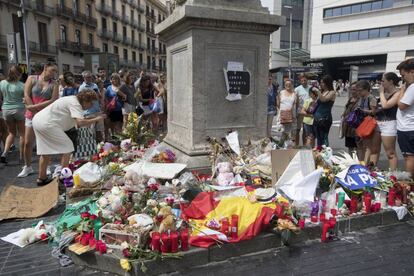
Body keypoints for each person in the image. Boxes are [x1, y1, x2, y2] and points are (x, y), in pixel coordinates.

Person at [32, 90, 106, 185]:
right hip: (48, 124)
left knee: (45, 151)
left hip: (38, 120)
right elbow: (80, 123)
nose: (91, 105)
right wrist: (97, 119)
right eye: (90, 102)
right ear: (85, 100)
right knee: (67, 147)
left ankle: (41, 178)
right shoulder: (76, 104)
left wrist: (94, 116)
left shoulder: (72, 100)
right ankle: (64, 177)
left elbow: (80, 119)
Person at [19, 63, 59, 178]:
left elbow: (53, 100)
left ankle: (46, 166)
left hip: (45, 115)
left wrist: (33, 108)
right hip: (32, 115)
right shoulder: (32, 79)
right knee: (27, 143)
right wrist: (33, 109)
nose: (53, 73)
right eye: (52, 70)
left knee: (45, 142)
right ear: (45, 68)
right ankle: (28, 167)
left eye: (55, 71)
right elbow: (26, 94)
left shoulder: (54, 84)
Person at [370, 72, 400, 170]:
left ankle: (393, 175)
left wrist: (381, 93)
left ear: (391, 81)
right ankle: (371, 171)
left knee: (390, 152)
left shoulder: (397, 93)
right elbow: (379, 108)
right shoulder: (383, 94)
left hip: (389, 123)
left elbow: (386, 105)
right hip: (377, 122)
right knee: (374, 150)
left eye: (383, 81)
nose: (381, 83)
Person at [0, 65, 25, 163]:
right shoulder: (21, 85)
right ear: (19, 74)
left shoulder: (2, 83)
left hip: (6, 110)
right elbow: (25, 98)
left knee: (11, 133)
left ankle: (4, 153)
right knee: (22, 134)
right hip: (18, 110)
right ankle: (21, 157)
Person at [397, 58, 414, 178]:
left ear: (412, 72)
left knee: (409, 157)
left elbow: (401, 105)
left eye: (403, 75)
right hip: (408, 127)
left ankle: (408, 186)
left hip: (407, 128)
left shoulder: (412, 87)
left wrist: (402, 90)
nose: (403, 79)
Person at [355, 80, 378, 166]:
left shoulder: (371, 98)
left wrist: (362, 111)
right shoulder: (361, 98)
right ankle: (361, 161)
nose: (359, 92)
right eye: (358, 90)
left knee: (367, 145)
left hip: (368, 124)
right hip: (361, 123)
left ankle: (365, 163)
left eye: (360, 90)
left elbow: (374, 112)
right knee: (361, 144)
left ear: (366, 89)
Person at [79, 71, 104, 142]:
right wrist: (91, 95)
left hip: (97, 110)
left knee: (100, 130)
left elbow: (99, 96)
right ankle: (92, 147)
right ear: (84, 78)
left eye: (90, 77)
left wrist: (98, 94)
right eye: (87, 77)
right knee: (91, 132)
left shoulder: (95, 85)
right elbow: (81, 100)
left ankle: (100, 146)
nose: (89, 79)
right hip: (89, 112)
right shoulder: (82, 87)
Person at [314, 75, 336, 147]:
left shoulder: (332, 92)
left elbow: (324, 100)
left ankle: (325, 154)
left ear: (327, 83)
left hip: (325, 118)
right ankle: (319, 154)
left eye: (322, 82)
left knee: (324, 137)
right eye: (320, 82)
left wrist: (318, 92)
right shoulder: (322, 92)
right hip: (317, 117)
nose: (321, 84)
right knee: (318, 138)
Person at [341, 82, 360, 156]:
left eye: (354, 89)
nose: (353, 91)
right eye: (351, 89)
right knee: (350, 145)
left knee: (357, 146)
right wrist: (343, 114)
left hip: (355, 126)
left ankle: (356, 161)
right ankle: (351, 161)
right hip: (348, 126)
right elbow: (346, 109)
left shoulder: (360, 100)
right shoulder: (351, 99)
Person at [294, 74, 310, 145]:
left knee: (306, 130)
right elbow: (295, 101)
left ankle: (304, 146)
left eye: (305, 80)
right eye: (302, 80)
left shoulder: (311, 88)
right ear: (300, 81)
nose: (304, 82)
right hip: (299, 112)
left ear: (307, 80)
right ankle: (297, 145)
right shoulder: (297, 89)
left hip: (307, 112)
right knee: (297, 130)